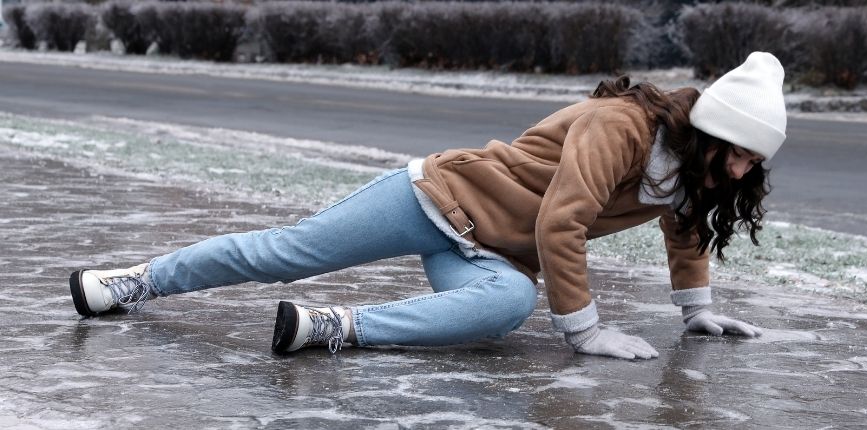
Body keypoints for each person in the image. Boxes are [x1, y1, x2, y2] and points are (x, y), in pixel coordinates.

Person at [69, 52, 785, 360]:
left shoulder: (693, 171)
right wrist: (585, 332)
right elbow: (562, 220)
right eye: (742, 153)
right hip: (435, 197)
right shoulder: (622, 126)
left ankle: (332, 328)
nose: (745, 169)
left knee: (504, 308)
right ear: (710, 133)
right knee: (285, 254)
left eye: (756, 161)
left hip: (492, 252)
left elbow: (686, 224)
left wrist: (696, 311)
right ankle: (134, 281)